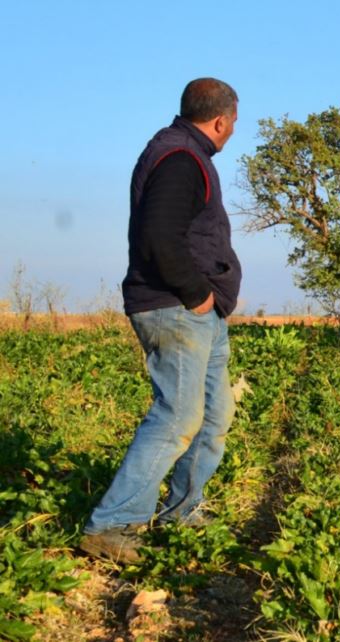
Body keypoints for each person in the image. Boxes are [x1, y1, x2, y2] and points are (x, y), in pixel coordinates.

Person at [79, 78, 242, 563]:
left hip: (196, 312)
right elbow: (157, 235)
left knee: (214, 415)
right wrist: (195, 296)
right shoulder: (181, 159)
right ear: (221, 121)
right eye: (234, 122)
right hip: (175, 307)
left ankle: (182, 510)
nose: (233, 130)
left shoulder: (181, 154)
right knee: (178, 418)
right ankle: (111, 525)